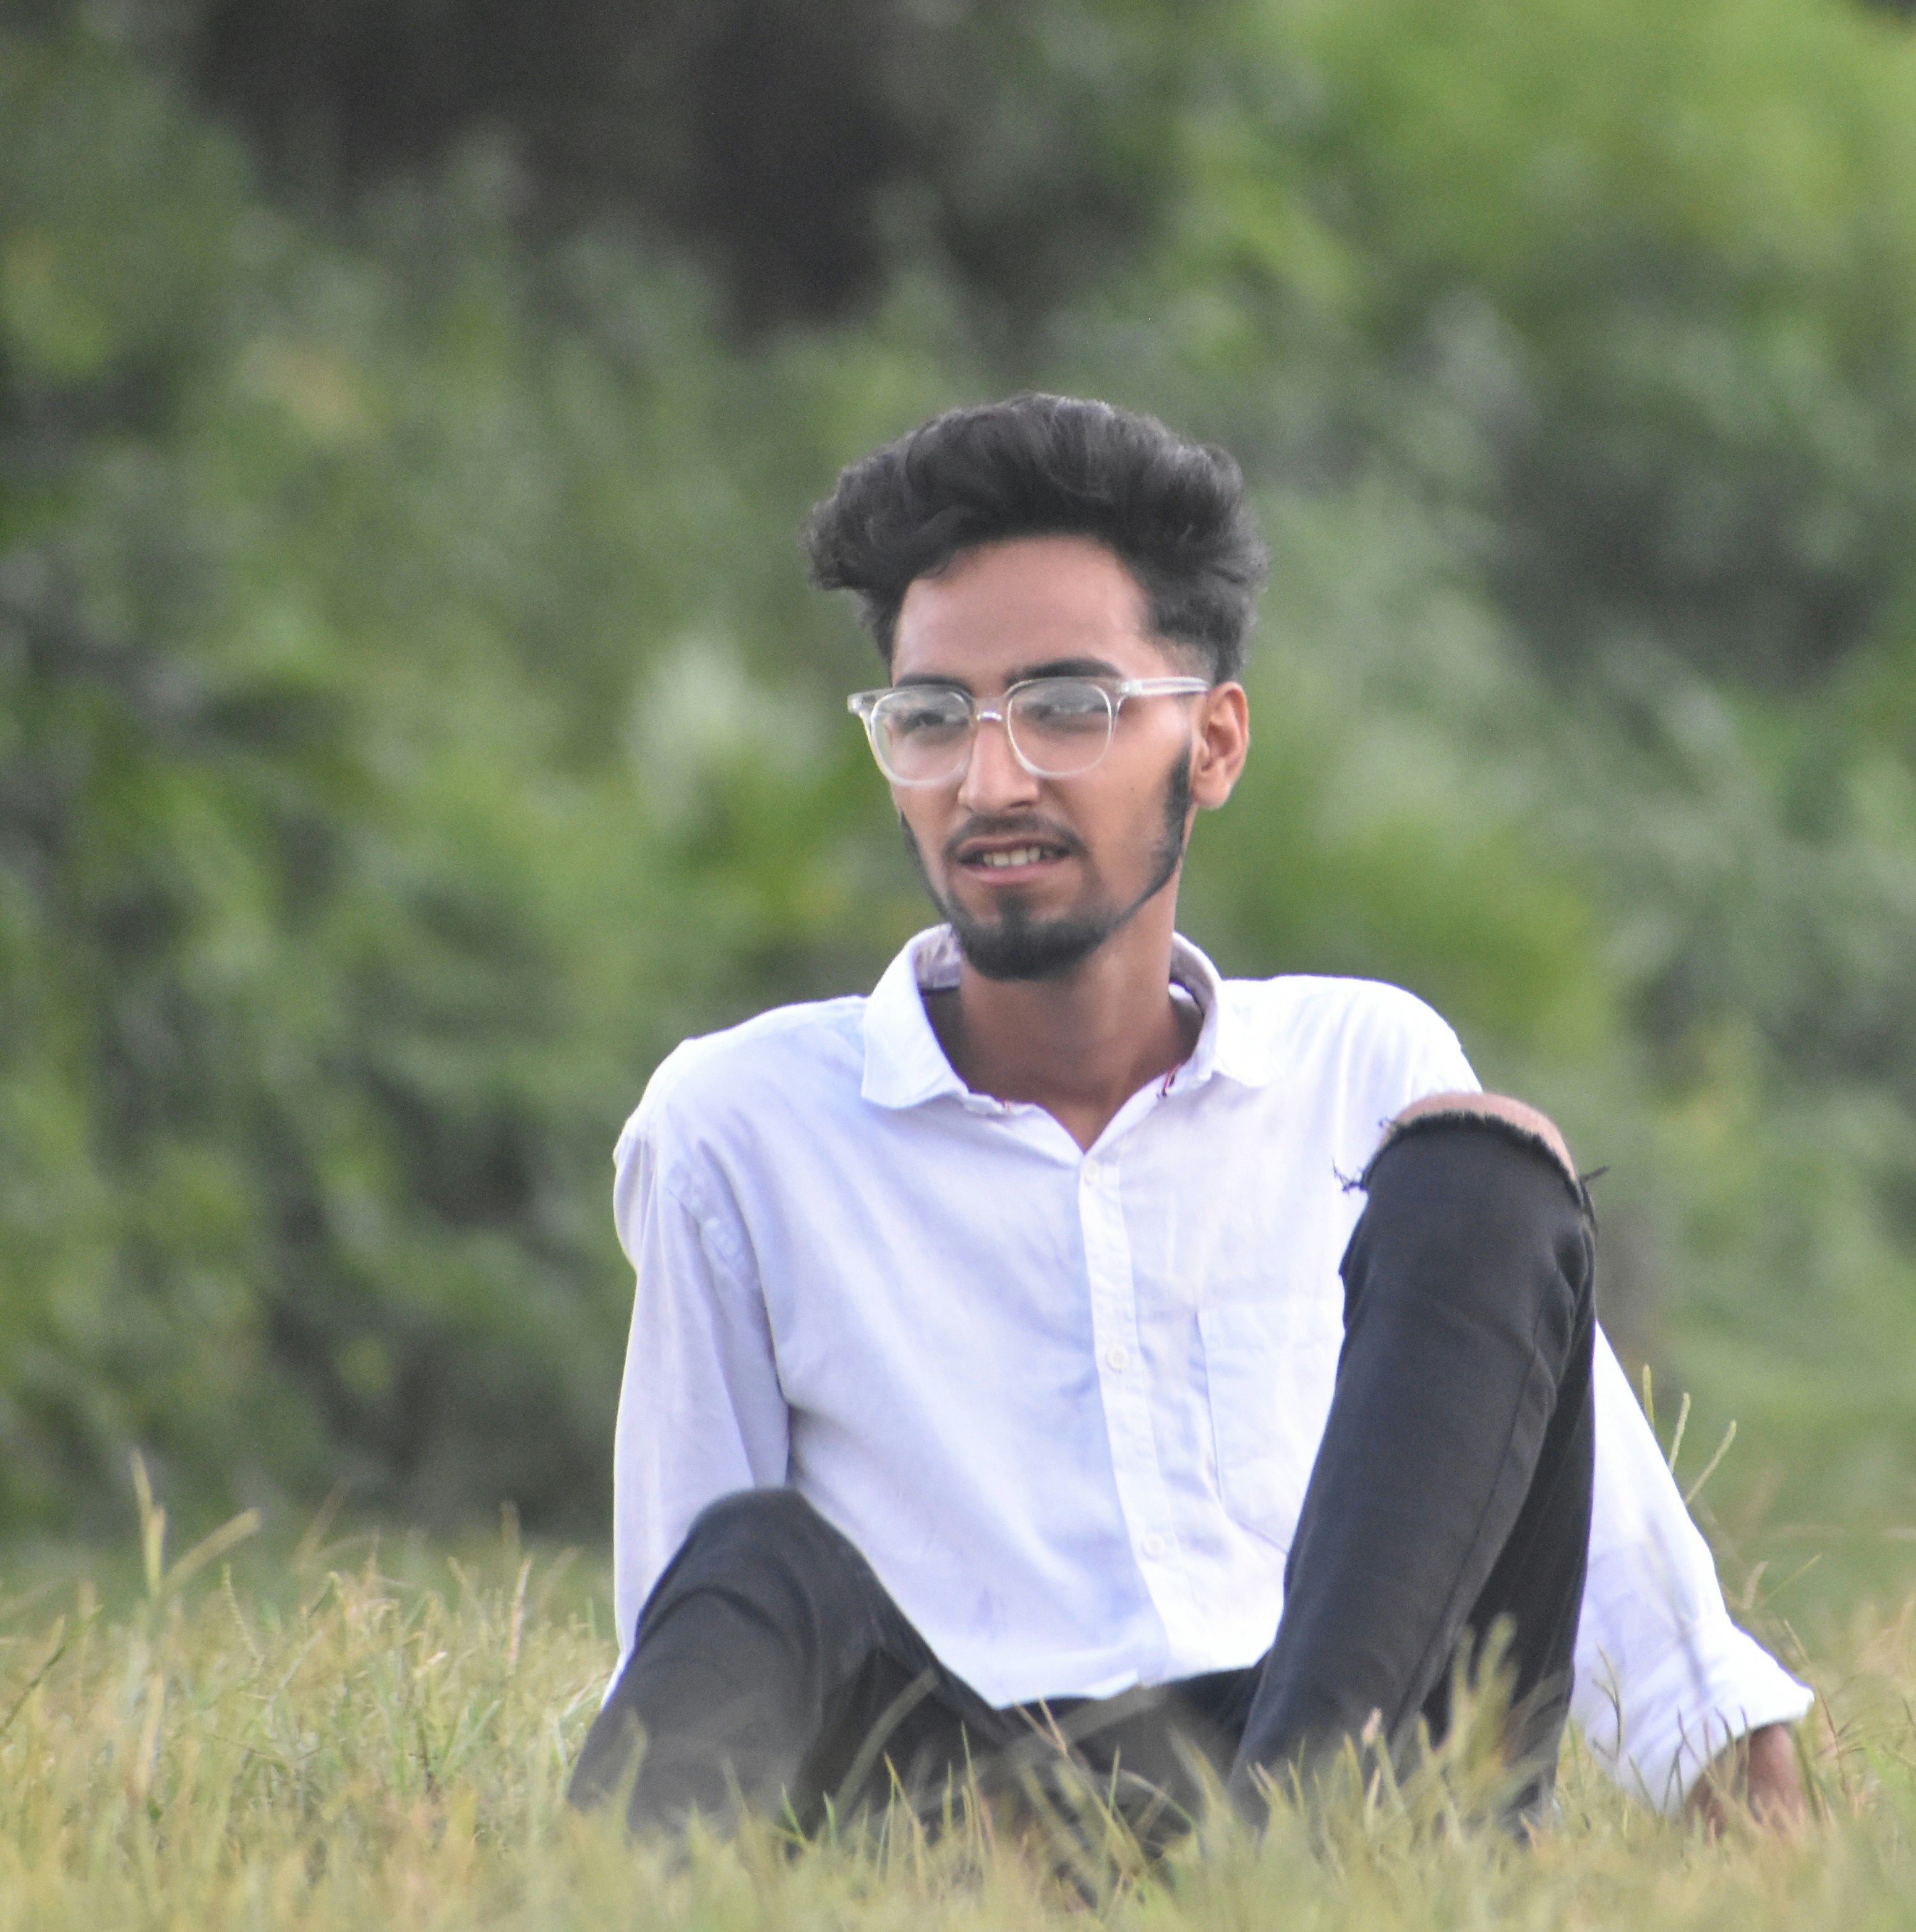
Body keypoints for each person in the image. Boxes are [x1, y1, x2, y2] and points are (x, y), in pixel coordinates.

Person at [571, 394, 1810, 1844]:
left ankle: (1289, 1880)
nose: (989, 781)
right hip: (967, 1812)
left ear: (1211, 745)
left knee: (1488, 1171)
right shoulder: (741, 1125)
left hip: (1346, 1779)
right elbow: (694, 1626)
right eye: (928, 719)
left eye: (1064, 710)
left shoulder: (1362, 1063)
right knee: (753, 1563)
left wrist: (1739, 1789)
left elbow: (1579, 1516)